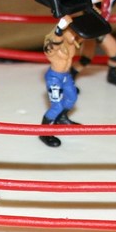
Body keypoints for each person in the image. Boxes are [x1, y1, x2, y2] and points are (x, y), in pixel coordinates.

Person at [40, 15, 81, 148]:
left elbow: (84, 36)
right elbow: (52, 45)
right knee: (56, 106)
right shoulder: (54, 47)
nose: (74, 34)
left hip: (66, 76)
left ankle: (61, 118)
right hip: (54, 78)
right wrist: (59, 29)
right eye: (71, 31)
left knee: (72, 97)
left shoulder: (72, 43)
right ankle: (44, 133)